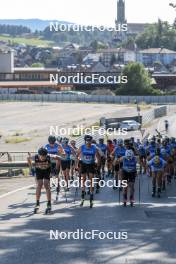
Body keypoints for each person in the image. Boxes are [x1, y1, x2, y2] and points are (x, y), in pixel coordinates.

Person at [77, 135, 100, 208]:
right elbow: (77, 155)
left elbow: (98, 157)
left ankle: (91, 195)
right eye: (87, 142)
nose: (88, 143)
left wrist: (97, 165)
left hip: (91, 164)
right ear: (85, 141)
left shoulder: (94, 147)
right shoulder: (82, 147)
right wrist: (76, 164)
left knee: (91, 180)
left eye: (89, 142)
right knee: (83, 179)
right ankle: (83, 194)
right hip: (83, 164)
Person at [27, 147, 53, 214]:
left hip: (47, 170)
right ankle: (37, 203)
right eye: (41, 157)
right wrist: (31, 168)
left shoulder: (49, 156)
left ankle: (49, 203)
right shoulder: (35, 157)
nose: (43, 158)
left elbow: (58, 158)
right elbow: (28, 158)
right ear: (39, 155)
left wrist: (56, 168)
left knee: (46, 185)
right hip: (39, 171)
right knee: (39, 185)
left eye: (44, 156)